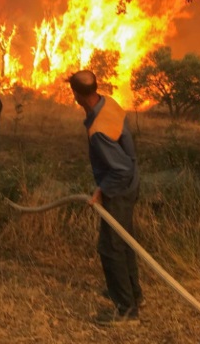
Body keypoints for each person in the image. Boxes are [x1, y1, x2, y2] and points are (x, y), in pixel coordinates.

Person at [67, 70, 143, 326]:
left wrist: (101, 190)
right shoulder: (108, 101)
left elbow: (119, 168)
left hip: (120, 188)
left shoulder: (98, 130)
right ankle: (133, 294)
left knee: (110, 248)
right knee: (124, 242)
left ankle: (126, 310)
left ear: (77, 95)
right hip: (130, 182)